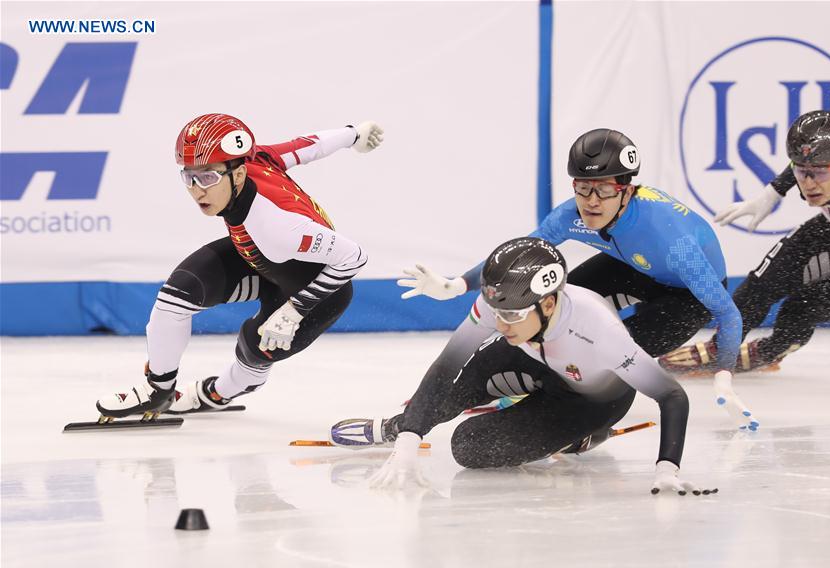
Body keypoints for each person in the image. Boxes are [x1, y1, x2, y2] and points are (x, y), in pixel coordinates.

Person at [396, 128, 755, 428]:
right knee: (552, 306)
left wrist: (724, 371)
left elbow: (728, 313)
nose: (591, 201)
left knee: (611, 352)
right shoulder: (570, 215)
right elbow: (520, 258)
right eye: (583, 188)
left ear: (627, 190)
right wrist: (456, 285)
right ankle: (491, 382)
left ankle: (575, 419)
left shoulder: (672, 240)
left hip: (687, 297)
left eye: (603, 190)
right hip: (633, 267)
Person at [331, 237, 717, 495]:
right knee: (475, 368)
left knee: (469, 447)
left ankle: (578, 436)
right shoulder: (505, 311)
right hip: (535, 355)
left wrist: (667, 468)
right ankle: (400, 425)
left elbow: (671, 394)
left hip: (590, 401)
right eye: (495, 312)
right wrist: (410, 439)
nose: (499, 323)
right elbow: (447, 364)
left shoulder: (599, 330)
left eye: (511, 314)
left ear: (549, 303)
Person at [96, 113, 383, 418]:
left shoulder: (277, 226)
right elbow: (307, 146)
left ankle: (218, 393)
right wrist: (353, 134)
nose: (197, 190)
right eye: (188, 176)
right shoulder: (257, 158)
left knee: (253, 348)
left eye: (207, 177)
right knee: (177, 295)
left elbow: (354, 256)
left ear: (239, 174)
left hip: (317, 290)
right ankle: (158, 389)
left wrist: (295, 309)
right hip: (260, 259)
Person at [660, 110, 830, 400]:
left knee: (799, 311)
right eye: (803, 172)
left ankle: (771, 351)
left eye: (820, 172)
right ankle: (719, 348)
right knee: (761, 285)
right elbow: (804, 162)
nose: (809, 183)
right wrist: (771, 194)